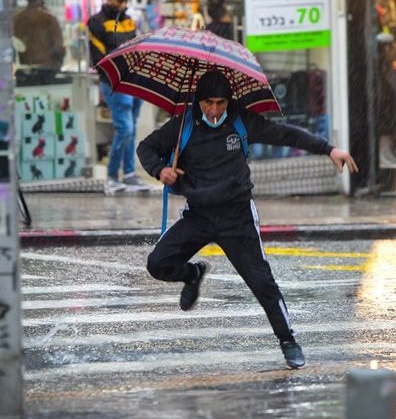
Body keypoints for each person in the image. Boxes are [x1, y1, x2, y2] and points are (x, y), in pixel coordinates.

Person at [136, 71, 358, 369]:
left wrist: (329, 149)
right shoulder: (182, 127)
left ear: (229, 100)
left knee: (262, 283)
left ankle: (288, 341)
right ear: (198, 101)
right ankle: (192, 275)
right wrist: (160, 170)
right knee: (157, 264)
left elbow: (286, 134)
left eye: (220, 102)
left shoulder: (242, 121)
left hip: (237, 217)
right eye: (208, 103)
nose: (214, 110)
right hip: (198, 215)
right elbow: (145, 148)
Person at [88, 0, 146, 193]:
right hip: (113, 80)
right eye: (119, 0)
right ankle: (112, 175)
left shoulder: (129, 21)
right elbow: (98, 56)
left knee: (132, 128)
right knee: (125, 129)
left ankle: (129, 173)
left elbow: (136, 48)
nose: (123, 4)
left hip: (134, 80)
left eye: (125, 0)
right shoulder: (96, 22)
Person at [13, 0, 66, 70]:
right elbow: (58, 48)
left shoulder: (18, 19)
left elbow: (17, 45)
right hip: (47, 72)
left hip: (25, 70)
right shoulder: (49, 19)